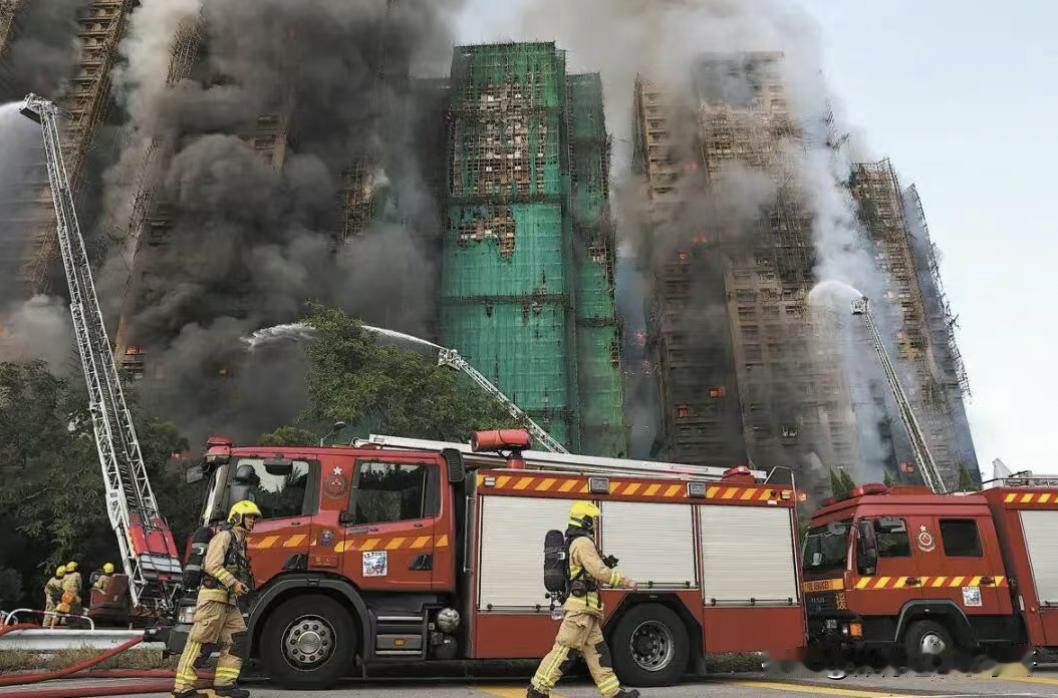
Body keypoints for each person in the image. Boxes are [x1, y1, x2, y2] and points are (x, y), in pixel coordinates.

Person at [528, 501, 640, 698]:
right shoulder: (582, 542)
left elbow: (589, 570)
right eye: (592, 520)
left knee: (598, 653)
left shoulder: (575, 542)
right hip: (581, 610)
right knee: (564, 650)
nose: (593, 524)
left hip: (588, 611)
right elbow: (598, 571)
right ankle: (537, 690)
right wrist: (625, 581)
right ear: (585, 520)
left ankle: (613, 692)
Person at [171, 500, 260, 698]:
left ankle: (225, 684)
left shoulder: (240, 542)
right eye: (250, 517)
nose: (253, 521)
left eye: (254, 518)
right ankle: (183, 688)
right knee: (201, 641)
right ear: (238, 518)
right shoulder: (224, 537)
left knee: (237, 639)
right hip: (213, 598)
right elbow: (212, 565)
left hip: (229, 600)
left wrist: (243, 587)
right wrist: (233, 583)